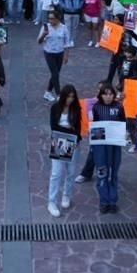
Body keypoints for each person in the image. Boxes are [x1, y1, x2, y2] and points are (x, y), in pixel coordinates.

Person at [47, 85, 83, 217]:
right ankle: (52, 202)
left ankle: (66, 195)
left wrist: (69, 130)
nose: (70, 99)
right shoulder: (55, 108)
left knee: (71, 172)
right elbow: (53, 127)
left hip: (73, 143)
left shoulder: (76, 108)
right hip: (59, 142)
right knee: (56, 174)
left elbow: (78, 129)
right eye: (68, 96)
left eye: (73, 96)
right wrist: (69, 128)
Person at [91, 83, 126, 214]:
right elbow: (92, 125)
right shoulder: (96, 107)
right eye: (105, 94)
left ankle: (113, 201)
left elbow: (123, 122)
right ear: (101, 95)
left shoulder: (119, 107)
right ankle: (103, 200)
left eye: (110, 93)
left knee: (113, 173)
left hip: (115, 145)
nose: (108, 96)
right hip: (100, 146)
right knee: (102, 172)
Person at [38, 11, 70, 102]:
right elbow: (39, 41)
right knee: (55, 73)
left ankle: (47, 92)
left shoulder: (64, 28)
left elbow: (67, 43)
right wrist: (44, 34)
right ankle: (59, 94)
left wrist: (66, 56)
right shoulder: (45, 27)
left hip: (59, 53)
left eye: (52, 18)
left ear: (57, 18)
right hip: (49, 53)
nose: (50, 20)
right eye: (49, 18)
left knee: (55, 74)